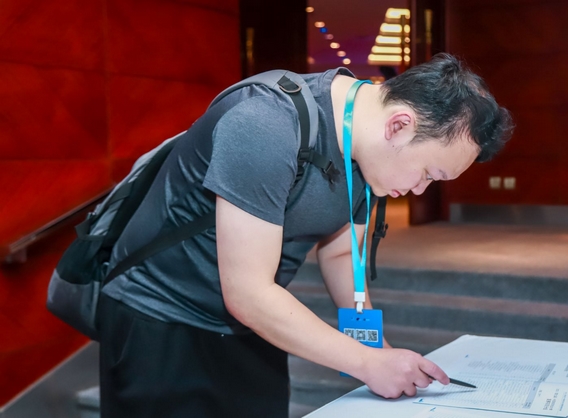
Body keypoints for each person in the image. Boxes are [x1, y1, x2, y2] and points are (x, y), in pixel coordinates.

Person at [97, 52, 513, 417]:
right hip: (160, 317)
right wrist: (365, 363)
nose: (420, 189)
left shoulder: (365, 150)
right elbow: (247, 293)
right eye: (428, 173)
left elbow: (341, 254)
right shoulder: (266, 123)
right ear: (399, 125)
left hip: (254, 324)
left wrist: (376, 350)